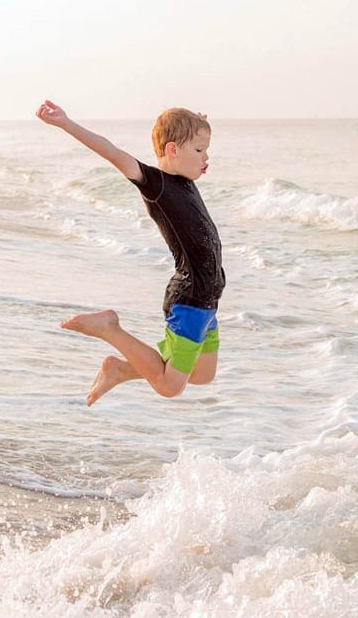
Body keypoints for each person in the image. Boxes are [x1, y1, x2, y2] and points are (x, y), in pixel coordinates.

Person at [36, 100, 225, 406]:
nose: (207, 157)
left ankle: (121, 369)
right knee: (169, 386)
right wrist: (66, 123)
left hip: (208, 298)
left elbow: (185, 139)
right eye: (199, 150)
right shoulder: (156, 184)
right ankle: (109, 328)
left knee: (202, 374)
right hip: (189, 299)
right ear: (173, 150)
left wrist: (195, 121)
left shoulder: (184, 180)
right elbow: (112, 152)